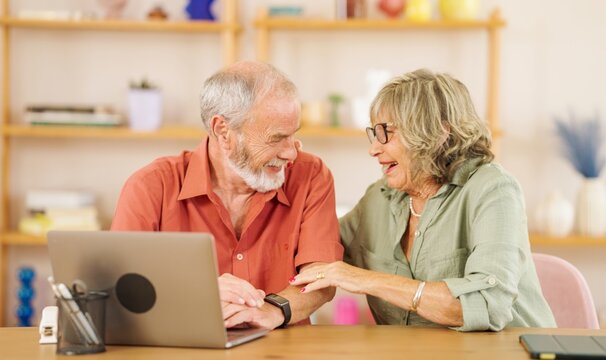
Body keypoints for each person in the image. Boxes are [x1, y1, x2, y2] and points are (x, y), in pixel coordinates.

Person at [291, 69, 556, 331]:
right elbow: (315, 249)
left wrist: (366, 280)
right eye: (374, 133)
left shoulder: (493, 190)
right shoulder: (379, 199)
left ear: (437, 134)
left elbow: (487, 305)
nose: (374, 149)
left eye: (387, 133)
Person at [111, 61, 343, 330]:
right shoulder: (151, 187)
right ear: (223, 131)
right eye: (276, 138)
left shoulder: (311, 175)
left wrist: (273, 310)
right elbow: (120, 287)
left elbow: (323, 277)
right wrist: (197, 293)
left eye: (293, 136)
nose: (291, 152)